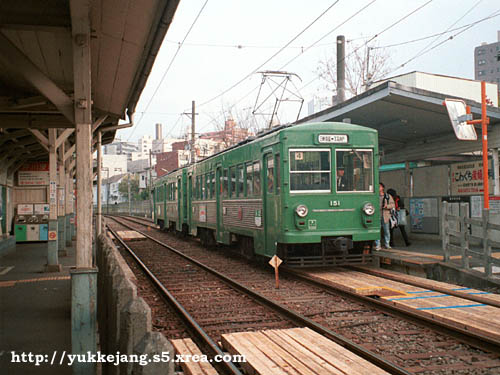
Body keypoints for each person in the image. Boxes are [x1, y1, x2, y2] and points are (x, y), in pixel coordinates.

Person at [375, 182, 394, 250]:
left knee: (386, 231)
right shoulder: (374, 196)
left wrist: (387, 206)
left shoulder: (387, 196)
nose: (378, 188)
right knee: (377, 231)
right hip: (376, 215)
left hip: (385, 215)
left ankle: (387, 244)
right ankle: (378, 245)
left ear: (382, 188)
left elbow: (392, 205)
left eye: (379, 186)